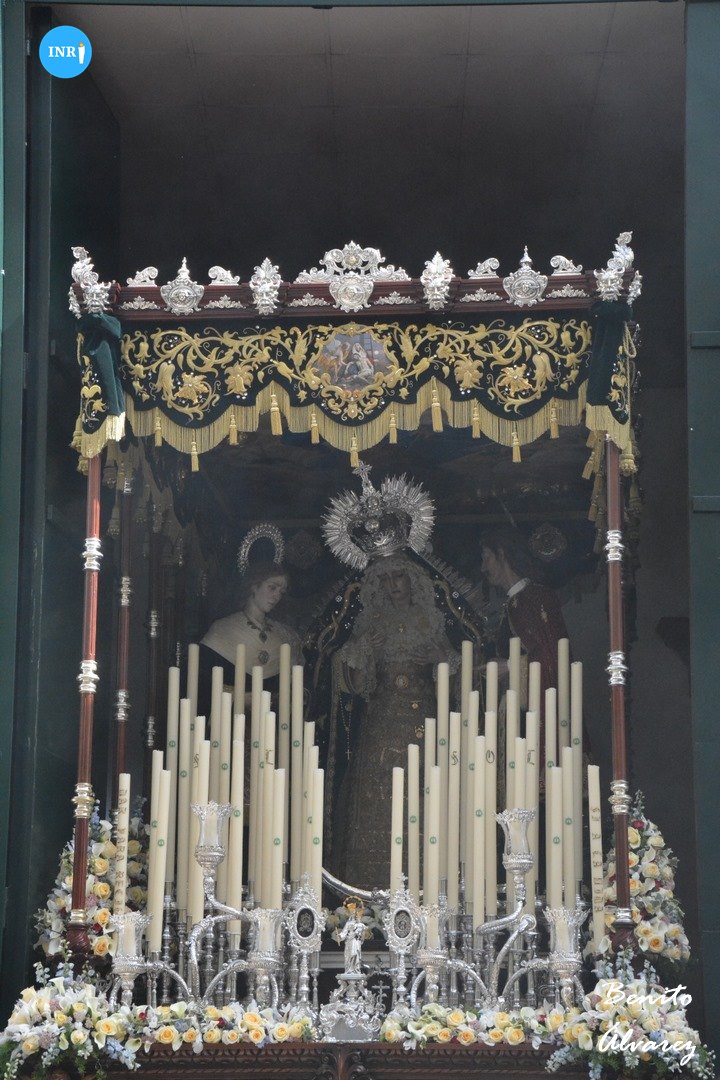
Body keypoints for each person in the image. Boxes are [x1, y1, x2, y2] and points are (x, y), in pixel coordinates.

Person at [322, 552, 460, 889]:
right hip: (381, 720)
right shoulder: (372, 621)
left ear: (412, 580)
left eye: (397, 576)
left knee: (423, 788)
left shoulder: (430, 620)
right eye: (384, 579)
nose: (392, 584)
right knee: (378, 793)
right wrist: (362, 648)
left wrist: (440, 658)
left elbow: (455, 671)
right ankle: (371, 886)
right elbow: (355, 683)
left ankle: (426, 883)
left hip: (424, 720)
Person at [199, 549, 303, 704]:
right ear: (254, 586)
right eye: (272, 587)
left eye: (281, 592)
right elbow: (204, 684)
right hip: (230, 714)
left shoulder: (283, 635)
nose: (277, 596)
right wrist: (240, 698)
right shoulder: (223, 629)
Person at [479, 525, 568, 700]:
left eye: (486, 557)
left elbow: (553, 655)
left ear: (501, 555)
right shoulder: (513, 603)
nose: (483, 567)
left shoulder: (535, 598)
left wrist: (509, 666)